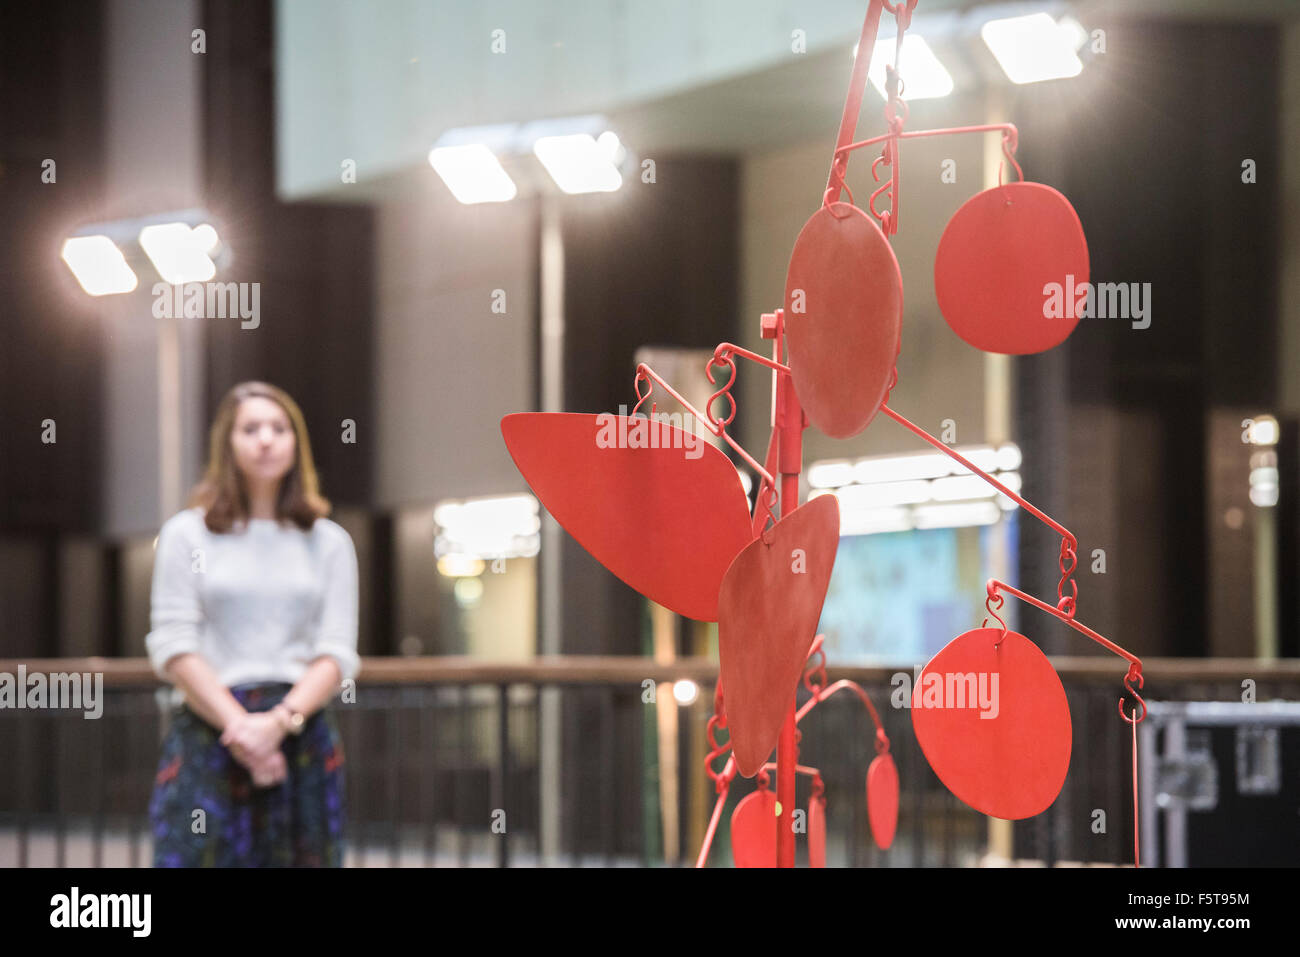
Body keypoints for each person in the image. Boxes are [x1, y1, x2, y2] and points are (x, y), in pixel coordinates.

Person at [145, 381, 360, 867]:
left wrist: (278, 725)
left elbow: (336, 651)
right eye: (251, 429)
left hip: (299, 734)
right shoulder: (186, 535)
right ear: (228, 443)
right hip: (212, 731)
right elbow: (174, 643)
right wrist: (242, 729)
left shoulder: (328, 542)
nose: (266, 439)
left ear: (295, 444)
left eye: (279, 429)